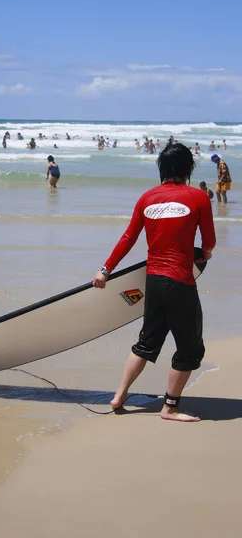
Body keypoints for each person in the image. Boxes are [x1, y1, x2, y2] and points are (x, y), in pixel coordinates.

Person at [93, 143, 216, 422]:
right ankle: (170, 407)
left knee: (147, 343)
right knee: (190, 349)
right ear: (189, 169)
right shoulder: (198, 198)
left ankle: (119, 395)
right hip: (181, 283)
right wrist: (205, 253)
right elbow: (209, 242)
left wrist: (105, 270)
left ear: (161, 169)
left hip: (154, 282)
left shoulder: (147, 198)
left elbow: (128, 238)